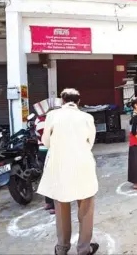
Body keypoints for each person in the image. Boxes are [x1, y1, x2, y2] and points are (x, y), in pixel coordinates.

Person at [38, 88, 99, 255]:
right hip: (83, 167)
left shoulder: (52, 116)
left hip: (59, 167)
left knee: (61, 207)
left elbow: (46, 141)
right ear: (79, 101)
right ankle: (84, 249)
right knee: (86, 208)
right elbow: (90, 142)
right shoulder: (87, 117)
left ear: (62, 101)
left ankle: (62, 248)